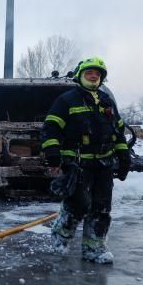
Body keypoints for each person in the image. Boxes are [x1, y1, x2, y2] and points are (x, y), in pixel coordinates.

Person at [42, 57, 131, 264]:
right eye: (89, 73)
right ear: (80, 75)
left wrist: (124, 156)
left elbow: (118, 132)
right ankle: (61, 235)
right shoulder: (67, 100)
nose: (93, 76)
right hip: (78, 164)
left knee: (102, 208)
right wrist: (53, 154)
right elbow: (51, 128)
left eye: (97, 74)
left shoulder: (107, 102)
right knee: (79, 205)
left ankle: (94, 249)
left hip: (104, 165)